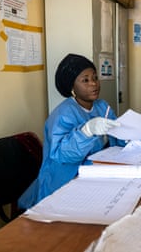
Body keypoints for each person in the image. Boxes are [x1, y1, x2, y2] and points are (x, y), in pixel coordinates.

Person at [18, 54, 125, 209]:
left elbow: (117, 138)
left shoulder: (102, 107)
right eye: (85, 80)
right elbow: (64, 155)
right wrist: (86, 131)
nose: (94, 84)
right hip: (64, 181)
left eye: (95, 78)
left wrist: (131, 135)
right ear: (72, 87)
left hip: (94, 174)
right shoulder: (63, 115)